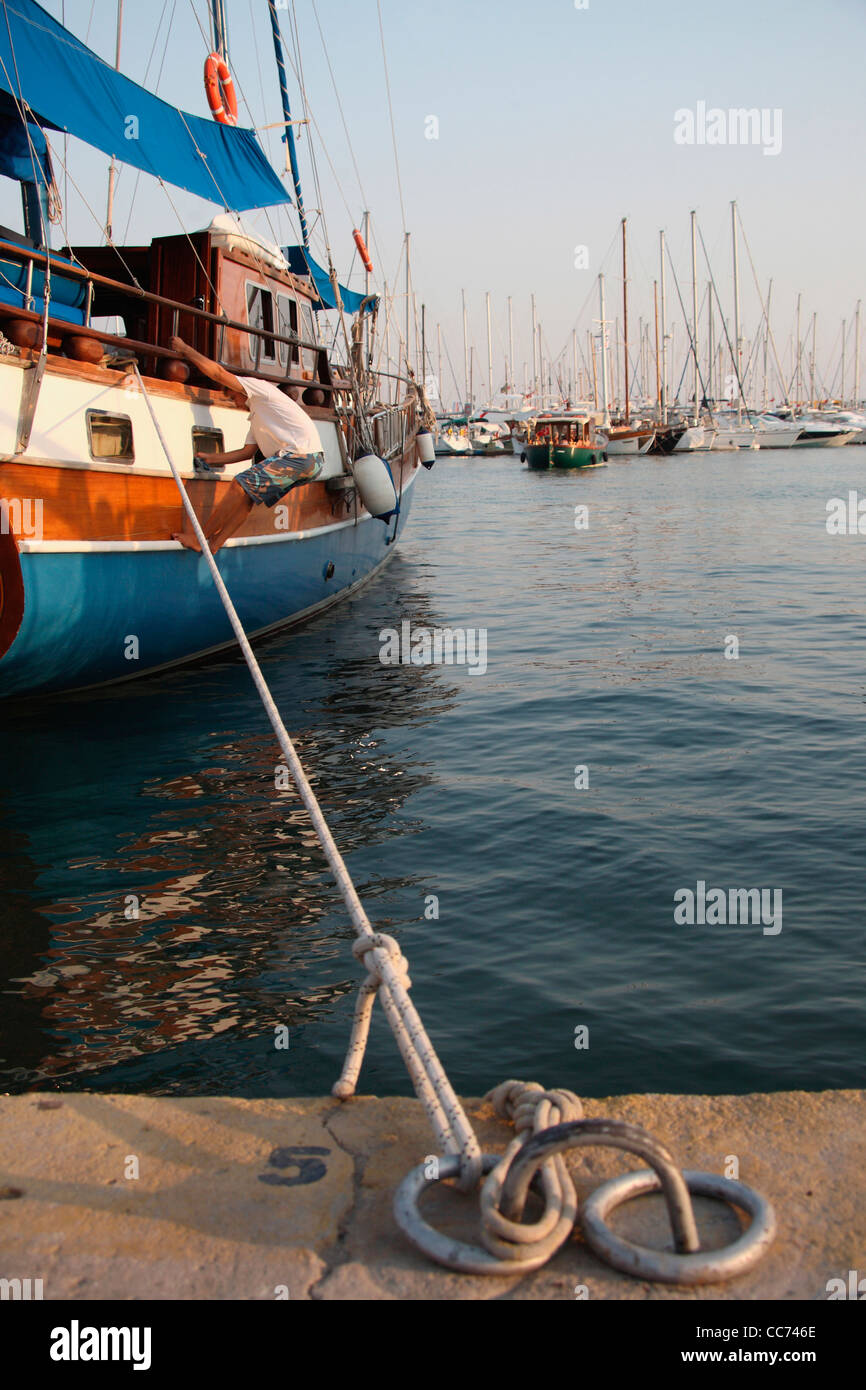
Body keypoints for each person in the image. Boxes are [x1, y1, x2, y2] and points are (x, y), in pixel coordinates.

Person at [169, 335, 325, 553]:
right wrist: (211, 459)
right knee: (247, 497)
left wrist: (186, 348)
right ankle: (214, 544)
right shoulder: (258, 415)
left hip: (301, 456)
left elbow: (218, 373)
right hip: (310, 461)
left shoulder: (259, 389)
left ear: (239, 389)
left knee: (239, 484)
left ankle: (201, 537)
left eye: (232, 397)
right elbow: (247, 452)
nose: (234, 402)